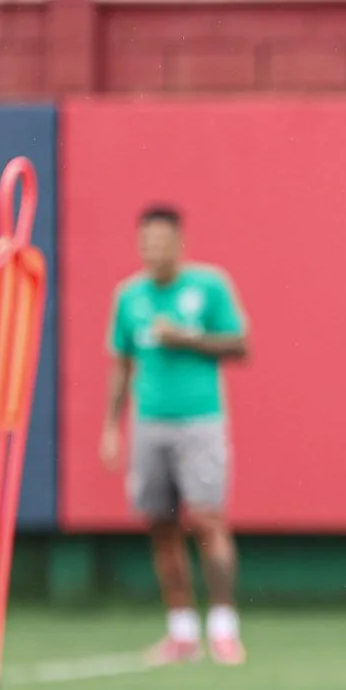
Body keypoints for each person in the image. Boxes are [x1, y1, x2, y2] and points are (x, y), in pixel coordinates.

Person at [100, 205, 250, 666]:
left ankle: (223, 627)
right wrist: (111, 425)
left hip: (200, 421)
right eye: (147, 244)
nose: (155, 251)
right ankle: (181, 630)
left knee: (207, 520)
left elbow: (239, 345)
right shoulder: (129, 297)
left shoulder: (208, 287)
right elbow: (122, 365)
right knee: (160, 526)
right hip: (150, 423)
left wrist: (186, 337)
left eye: (163, 243)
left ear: (179, 245)